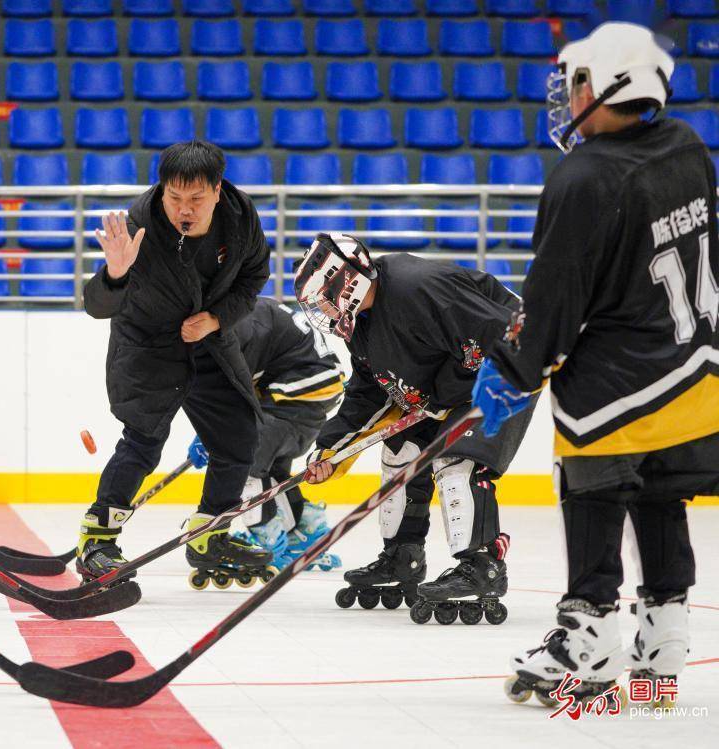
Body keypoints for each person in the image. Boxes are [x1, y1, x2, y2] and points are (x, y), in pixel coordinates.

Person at [473, 23, 717, 707]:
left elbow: (553, 299)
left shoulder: (583, 177)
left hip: (618, 381)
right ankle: (666, 629)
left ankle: (589, 634)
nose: (570, 93)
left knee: (594, 492)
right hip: (695, 368)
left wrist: (515, 370)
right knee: (662, 492)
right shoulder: (690, 146)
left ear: (610, 84)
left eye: (578, 79)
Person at [296, 233, 530, 624]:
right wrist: (330, 449)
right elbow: (368, 391)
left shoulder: (417, 288)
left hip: (505, 369)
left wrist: (439, 395)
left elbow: (499, 335)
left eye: (323, 296)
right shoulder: (362, 324)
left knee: (457, 460)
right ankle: (403, 555)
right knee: (399, 452)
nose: (322, 307)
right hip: (449, 388)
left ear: (347, 282)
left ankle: (482, 565)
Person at [76, 140, 274, 587]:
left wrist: (219, 319)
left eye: (196, 199)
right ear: (161, 191)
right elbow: (96, 306)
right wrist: (115, 275)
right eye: (174, 198)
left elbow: (254, 276)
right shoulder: (139, 225)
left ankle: (210, 533)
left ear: (218, 190)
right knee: (144, 440)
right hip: (148, 346)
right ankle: (99, 538)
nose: (184, 209)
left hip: (209, 341)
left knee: (240, 433)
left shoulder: (241, 218)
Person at [187, 296, 346, 571]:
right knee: (269, 470)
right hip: (306, 396)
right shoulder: (240, 311)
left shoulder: (239, 326)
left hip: (301, 391)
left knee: (244, 459)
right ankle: (304, 530)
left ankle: (267, 544)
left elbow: (234, 393)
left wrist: (212, 436)